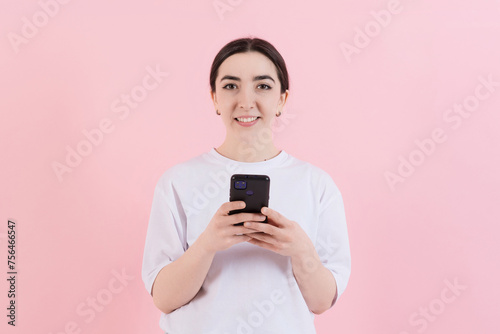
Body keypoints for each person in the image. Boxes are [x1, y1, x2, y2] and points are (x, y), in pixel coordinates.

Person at [141, 37, 351, 334]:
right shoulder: (177, 181)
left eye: (263, 86)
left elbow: (321, 301)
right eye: (230, 86)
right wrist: (207, 244)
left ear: (282, 99)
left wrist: (301, 250)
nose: (246, 101)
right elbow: (163, 298)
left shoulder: (316, 185)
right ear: (214, 98)